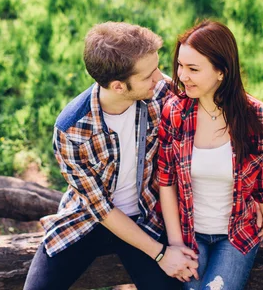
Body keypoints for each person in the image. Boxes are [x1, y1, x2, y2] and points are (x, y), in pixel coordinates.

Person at [23, 22, 198, 290]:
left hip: (147, 217)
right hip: (89, 219)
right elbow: (101, 210)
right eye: (149, 75)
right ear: (118, 86)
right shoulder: (71, 130)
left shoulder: (161, 93)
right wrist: (161, 254)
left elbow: (219, 104)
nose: (160, 78)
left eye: (157, 69)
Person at [157, 20, 263, 290]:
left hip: (236, 235)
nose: (183, 76)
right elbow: (166, 182)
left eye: (193, 69)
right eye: (181, 66)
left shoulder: (261, 119)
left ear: (222, 72)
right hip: (188, 232)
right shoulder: (174, 113)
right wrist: (175, 243)